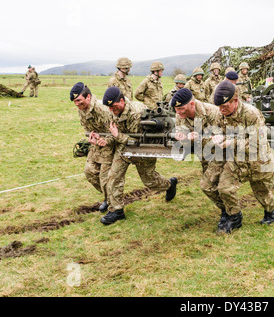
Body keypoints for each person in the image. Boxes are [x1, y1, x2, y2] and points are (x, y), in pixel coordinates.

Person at [200, 81, 274, 234]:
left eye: (225, 106)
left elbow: (259, 141)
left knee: (261, 191)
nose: (222, 110)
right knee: (224, 188)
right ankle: (234, 217)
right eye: (219, 107)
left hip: (257, 159)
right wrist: (216, 138)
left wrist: (231, 142)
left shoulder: (252, 114)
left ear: (235, 100)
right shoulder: (220, 114)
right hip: (236, 159)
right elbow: (217, 131)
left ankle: (271, 210)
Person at [99, 86, 177, 225]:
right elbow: (114, 134)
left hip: (143, 150)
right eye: (109, 107)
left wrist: (118, 136)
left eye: (114, 106)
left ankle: (169, 185)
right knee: (113, 177)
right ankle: (116, 211)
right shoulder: (112, 112)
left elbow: (137, 142)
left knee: (150, 181)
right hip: (124, 149)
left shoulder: (137, 112)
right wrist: (105, 140)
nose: (112, 110)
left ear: (122, 101)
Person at [70, 82, 114, 212]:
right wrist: (91, 136)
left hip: (109, 145)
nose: (77, 104)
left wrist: (104, 140)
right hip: (96, 145)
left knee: (104, 178)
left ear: (88, 97)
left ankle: (111, 202)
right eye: (74, 101)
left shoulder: (103, 109)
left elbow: (116, 131)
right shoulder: (82, 110)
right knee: (89, 172)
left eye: (79, 100)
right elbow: (87, 128)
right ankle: (110, 195)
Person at [171, 88, 219, 173]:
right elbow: (186, 145)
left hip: (220, 156)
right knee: (207, 181)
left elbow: (221, 138)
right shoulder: (179, 115)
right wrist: (183, 138)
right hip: (204, 157)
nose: (178, 112)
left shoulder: (213, 112)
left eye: (181, 108)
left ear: (192, 104)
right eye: (176, 108)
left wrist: (200, 138)